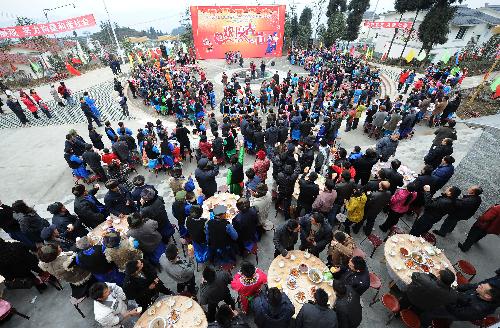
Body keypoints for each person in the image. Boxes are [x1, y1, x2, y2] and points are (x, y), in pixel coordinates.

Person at [421, 279, 500, 326]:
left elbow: (456, 312)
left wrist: (449, 298)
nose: (480, 285)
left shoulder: (477, 309)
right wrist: (456, 287)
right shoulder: (481, 291)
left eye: (482, 286)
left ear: (487, 296)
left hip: (452, 312)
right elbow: (471, 286)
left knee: (430, 311)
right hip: (457, 299)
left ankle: (423, 323)